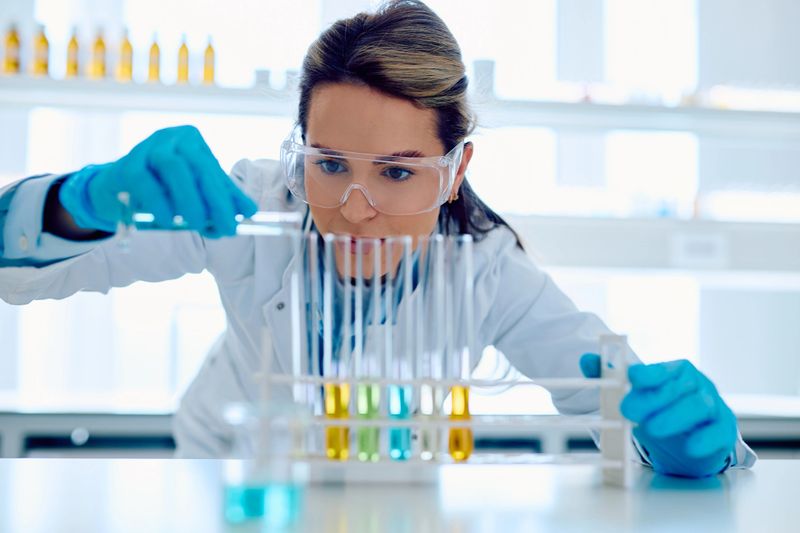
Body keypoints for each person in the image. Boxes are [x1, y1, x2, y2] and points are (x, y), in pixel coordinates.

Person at [0, 0, 754, 477]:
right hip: (228, 478)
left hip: (390, 492)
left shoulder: (487, 269)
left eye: (397, 174)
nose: (355, 209)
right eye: (330, 164)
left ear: (455, 169)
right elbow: (22, 270)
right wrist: (79, 201)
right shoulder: (250, 207)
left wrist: (692, 448)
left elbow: (613, 402)